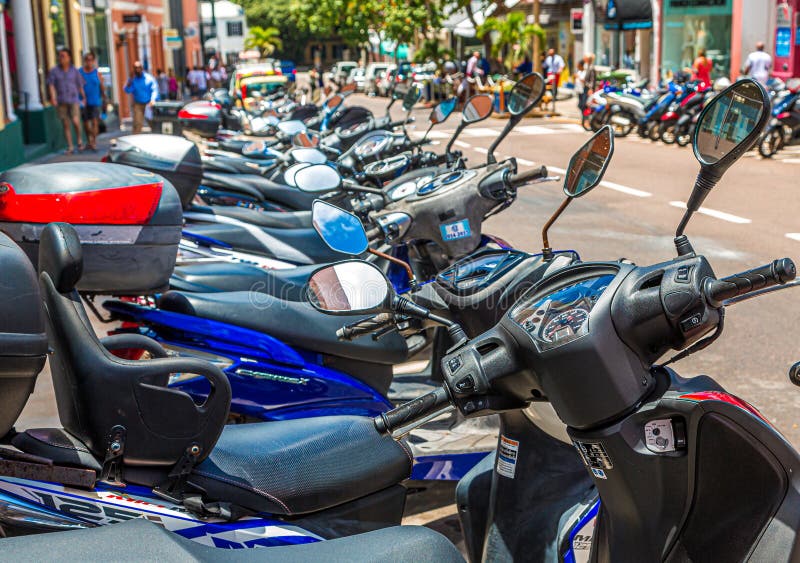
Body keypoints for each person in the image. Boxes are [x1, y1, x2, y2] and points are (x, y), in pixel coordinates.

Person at [47, 48, 86, 154]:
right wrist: (53, 98)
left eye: (63, 56)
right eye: (59, 56)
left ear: (69, 57)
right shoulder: (54, 71)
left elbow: (80, 85)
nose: (61, 58)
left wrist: (83, 97)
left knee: (75, 121)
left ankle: (79, 140)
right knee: (65, 124)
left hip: (73, 99)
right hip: (61, 100)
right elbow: (51, 85)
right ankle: (70, 146)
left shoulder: (74, 71)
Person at [78, 51, 105, 151]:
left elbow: (102, 86)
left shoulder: (97, 73)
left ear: (93, 61)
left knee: (94, 122)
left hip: (95, 101)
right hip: (83, 101)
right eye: (86, 60)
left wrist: (104, 97)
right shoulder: (80, 72)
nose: (88, 62)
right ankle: (89, 140)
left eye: (90, 60)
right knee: (86, 123)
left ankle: (93, 141)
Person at [123, 61, 158, 134]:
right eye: (135, 68)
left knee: (153, 122)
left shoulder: (149, 78)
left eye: (139, 68)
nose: (137, 70)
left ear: (142, 68)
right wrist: (130, 80)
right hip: (138, 104)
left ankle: (157, 135)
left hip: (148, 104)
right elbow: (127, 90)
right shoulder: (133, 79)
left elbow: (154, 89)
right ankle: (135, 139)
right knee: (137, 123)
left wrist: (153, 99)